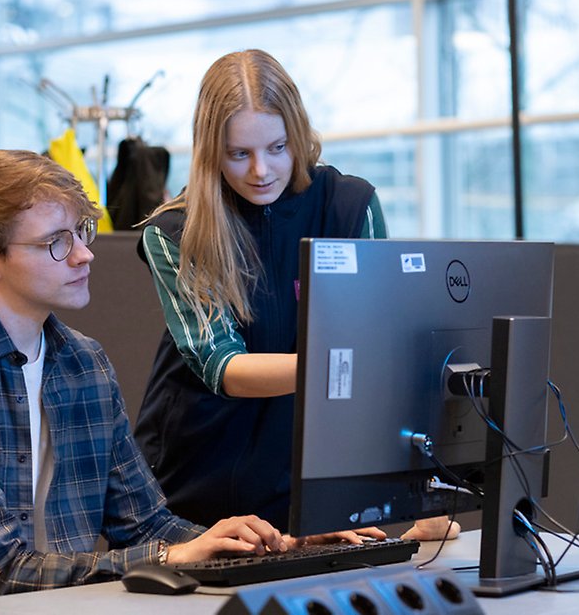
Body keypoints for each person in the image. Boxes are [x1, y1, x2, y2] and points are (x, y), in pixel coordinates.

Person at [0, 149, 304, 610]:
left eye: (81, 231)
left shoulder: (83, 362)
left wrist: (268, 549)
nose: (84, 254)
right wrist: (168, 556)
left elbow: (144, 524)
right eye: (56, 242)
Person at [134, 49, 459, 541]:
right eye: (238, 154)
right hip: (195, 481)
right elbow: (223, 367)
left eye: (278, 147)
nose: (260, 170)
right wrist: (341, 367)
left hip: (299, 476)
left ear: (299, 133)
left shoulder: (350, 208)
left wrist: (412, 488)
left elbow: (381, 356)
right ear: (209, 151)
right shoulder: (176, 231)